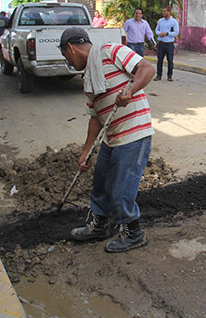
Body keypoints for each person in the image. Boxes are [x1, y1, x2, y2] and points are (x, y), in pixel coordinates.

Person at [58, 27, 156, 253]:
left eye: (66, 57)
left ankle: (134, 234)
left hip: (134, 133)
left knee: (120, 189)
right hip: (112, 137)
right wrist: (86, 151)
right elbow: (96, 117)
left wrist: (130, 90)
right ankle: (100, 225)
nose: (69, 64)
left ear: (71, 48)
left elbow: (146, 69)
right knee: (101, 183)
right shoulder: (89, 76)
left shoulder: (111, 51)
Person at [154, 6, 179, 81]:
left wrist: (167, 33)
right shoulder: (160, 21)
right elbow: (156, 30)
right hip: (161, 43)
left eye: (165, 11)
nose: (163, 13)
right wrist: (160, 33)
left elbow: (176, 32)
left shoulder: (174, 22)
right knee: (159, 60)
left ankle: (169, 75)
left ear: (169, 12)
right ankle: (159, 75)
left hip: (169, 43)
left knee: (170, 60)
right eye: (163, 11)